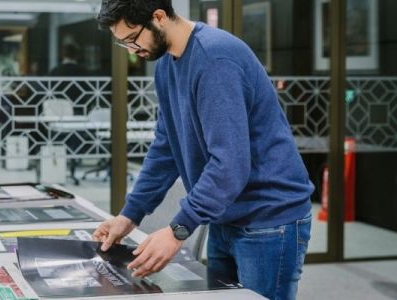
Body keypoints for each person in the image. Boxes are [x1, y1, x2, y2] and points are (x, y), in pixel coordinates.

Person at [91, 1, 313, 299]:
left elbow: (230, 164)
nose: (132, 50)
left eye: (132, 39)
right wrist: (129, 215)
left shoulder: (215, 59)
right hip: (225, 213)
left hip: (268, 218)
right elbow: (165, 147)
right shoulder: (167, 66)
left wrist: (178, 230)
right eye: (122, 43)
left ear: (158, 17)